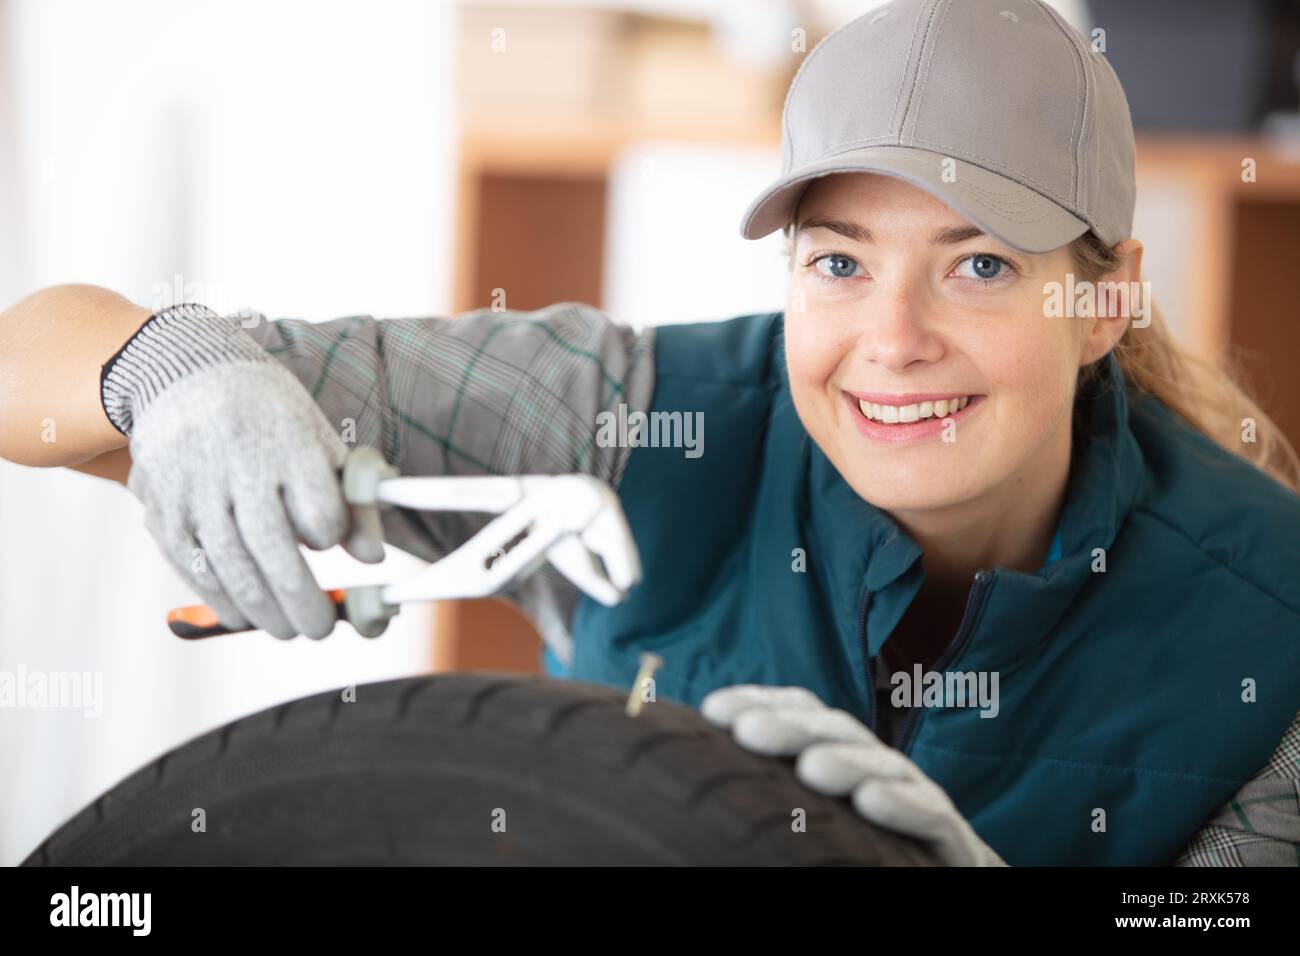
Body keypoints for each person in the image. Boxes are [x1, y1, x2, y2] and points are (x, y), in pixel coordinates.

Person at [1, 0, 1297, 866]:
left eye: (980, 269)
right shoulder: (626, 417)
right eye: (837, 264)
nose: (892, 339)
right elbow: (31, 376)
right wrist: (166, 376)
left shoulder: (1270, 637)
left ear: (1105, 299)